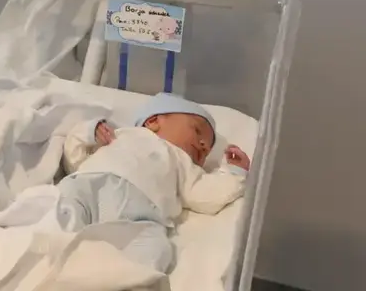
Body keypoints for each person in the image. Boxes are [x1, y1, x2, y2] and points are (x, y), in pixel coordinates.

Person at [42, 93, 252, 273]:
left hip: (141, 216)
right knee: (59, 209)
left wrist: (234, 173)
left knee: (156, 250)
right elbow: (75, 157)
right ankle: (46, 255)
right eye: (197, 131)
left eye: (206, 150)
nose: (204, 145)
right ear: (153, 122)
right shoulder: (122, 135)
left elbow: (204, 196)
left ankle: (115, 280)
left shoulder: (185, 164)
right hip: (91, 186)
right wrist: (90, 132)